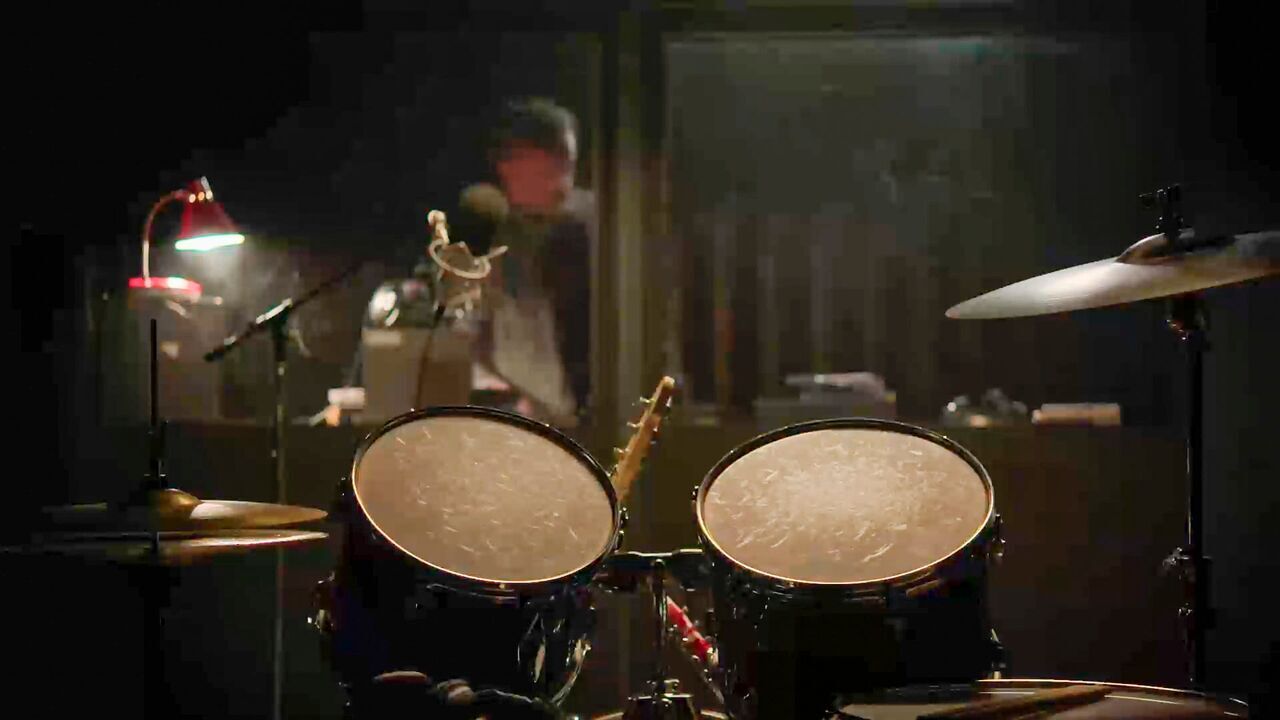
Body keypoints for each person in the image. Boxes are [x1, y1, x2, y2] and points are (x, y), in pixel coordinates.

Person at [324, 97, 592, 429]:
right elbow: (463, 334)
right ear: (508, 164)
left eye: (567, 165)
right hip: (521, 420)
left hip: (579, 420)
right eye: (551, 167)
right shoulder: (486, 232)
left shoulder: (593, 227)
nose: (562, 181)